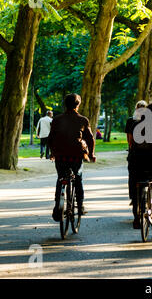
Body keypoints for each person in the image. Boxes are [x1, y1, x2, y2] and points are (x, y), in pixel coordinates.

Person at [48, 93, 96, 222]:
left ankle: (58, 205)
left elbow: (51, 138)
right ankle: (80, 206)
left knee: (61, 178)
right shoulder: (83, 120)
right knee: (78, 178)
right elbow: (90, 139)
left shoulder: (57, 119)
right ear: (78, 105)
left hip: (60, 156)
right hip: (75, 156)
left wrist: (52, 152)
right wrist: (91, 154)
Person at [125, 100, 147, 207]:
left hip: (134, 153)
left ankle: (133, 198)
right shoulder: (149, 121)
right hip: (147, 154)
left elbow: (129, 139)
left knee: (132, 176)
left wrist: (131, 148)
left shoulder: (131, 121)